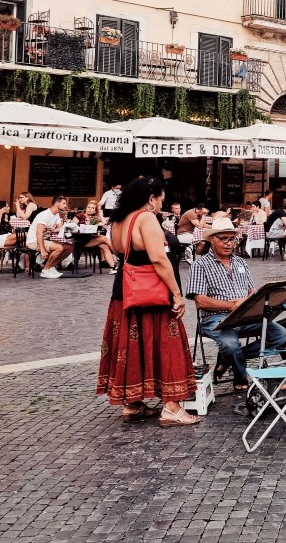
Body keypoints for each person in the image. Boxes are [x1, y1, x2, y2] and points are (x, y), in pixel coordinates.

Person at [96, 176, 199, 427]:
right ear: (151, 199)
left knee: (131, 345)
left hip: (124, 291)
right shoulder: (145, 218)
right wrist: (176, 294)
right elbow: (158, 260)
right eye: (160, 198)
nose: (161, 203)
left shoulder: (118, 221)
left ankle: (132, 403)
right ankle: (172, 408)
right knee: (167, 343)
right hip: (150, 291)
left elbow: (122, 252)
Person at [188, 217, 286, 392]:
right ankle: (240, 374)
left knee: (280, 334)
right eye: (224, 239)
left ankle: (227, 360)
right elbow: (200, 301)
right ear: (212, 240)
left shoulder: (241, 262)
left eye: (232, 239)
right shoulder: (200, 265)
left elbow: (251, 291)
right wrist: (231, 305)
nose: (229, 243)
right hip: (215, 319)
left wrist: (254, 300)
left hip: (245, 316)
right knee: (230, 344)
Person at [26, 195, 74, 279]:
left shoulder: (56, 215)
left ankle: (51, 266)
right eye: (63, 203)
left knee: (70, 247)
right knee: (59, 248)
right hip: (33, 241)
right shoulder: (45, 215)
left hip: (45, 239)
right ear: (56, 203)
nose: (65, 205)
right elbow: (39, 233)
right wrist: (43, 250)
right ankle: (46, 270)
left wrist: (53, 229)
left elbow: (60, 227)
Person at [71, 200, 117, 272]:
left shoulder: (94, 219)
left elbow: (104, 223)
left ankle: (113, 267)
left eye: (92, 208)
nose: (90, 209)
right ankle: (119, 254)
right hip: (80, 239)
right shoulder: (79, 216)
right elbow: (71, 227)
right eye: (88, 207)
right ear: (86, 208)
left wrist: (100, 214)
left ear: (95, 211)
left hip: (90, 239)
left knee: (104, 246)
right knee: (104, 239)